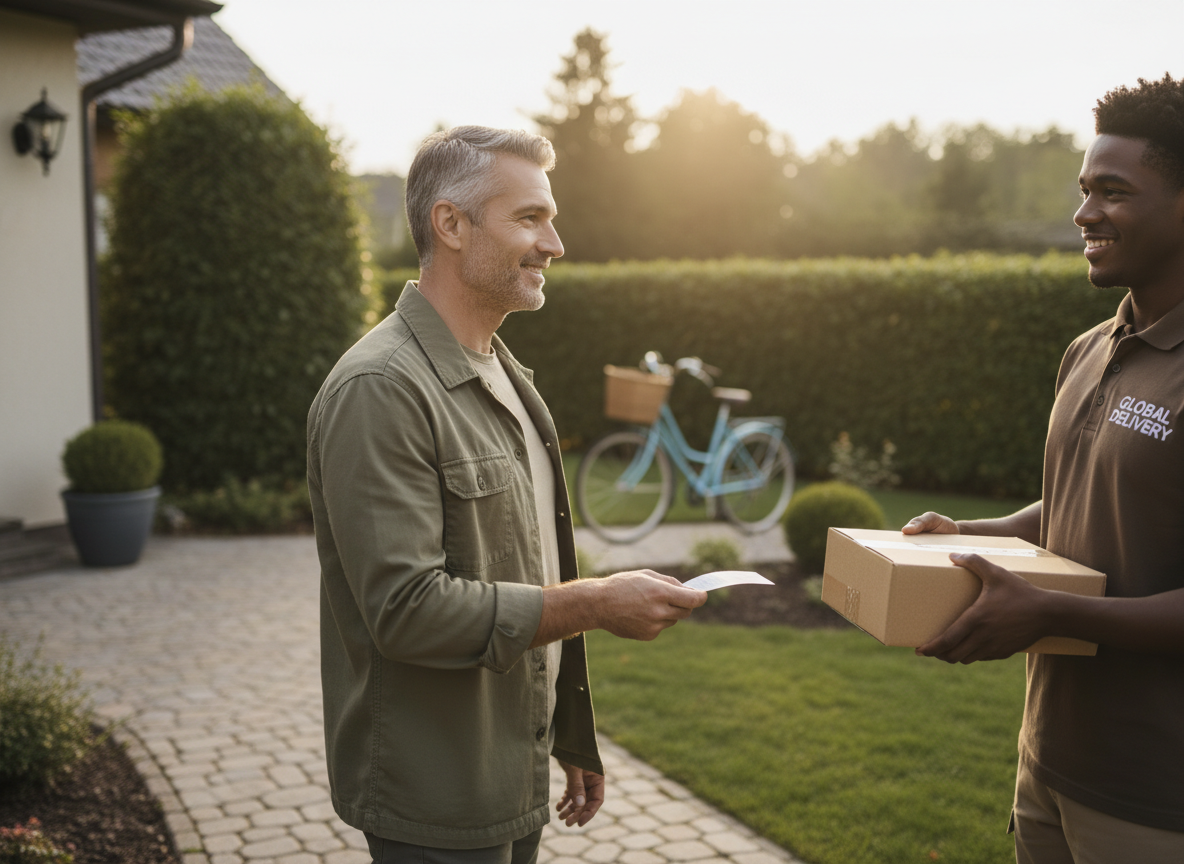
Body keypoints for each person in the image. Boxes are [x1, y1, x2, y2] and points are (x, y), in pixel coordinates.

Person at [306, 126, 707, 864]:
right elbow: (406, 610)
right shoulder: (382, 389)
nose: (554, 243)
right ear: (450, 224)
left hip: (511, 767)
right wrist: (597, 603)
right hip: (437, 791)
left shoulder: (502, 372)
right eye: (529, 218)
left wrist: (565, 730)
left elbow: (526, 565)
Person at [904, 75, 1184, 863]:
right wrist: (969, 533)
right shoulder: (1090, 349)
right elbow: (1075, 499)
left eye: (1114, 191)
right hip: (1048, 764)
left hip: (1158, 799)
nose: (1083, 213)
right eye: (1084, 188)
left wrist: (1056, 614)